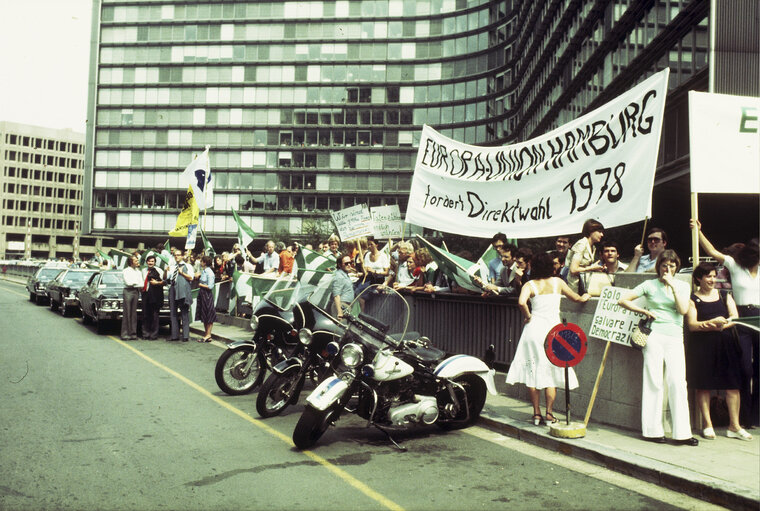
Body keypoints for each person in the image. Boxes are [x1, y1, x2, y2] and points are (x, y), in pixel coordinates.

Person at [618, 250, 698, 446]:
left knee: (678, 382)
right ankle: (652, 431)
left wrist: (672, 285)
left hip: (674, 336)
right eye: (664, 265)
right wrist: (644, 310)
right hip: (654, 335)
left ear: (676, 267)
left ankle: (682, 433)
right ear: (659, 266)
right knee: (654, 380)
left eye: (671, 265)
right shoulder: (649, 284)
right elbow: (623, 300)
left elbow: (683, 310)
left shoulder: (682, 285)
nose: (667, 269)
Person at [505, 252, 591, 425]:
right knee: (552, 371)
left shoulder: (529, 284)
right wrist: (586, 296)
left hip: (534, 329)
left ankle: (536, 414)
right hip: (553, 331)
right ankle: (549, 414)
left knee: (532, 371)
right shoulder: (558, 282)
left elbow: (521, 302)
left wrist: (528, 316)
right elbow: (576, 298)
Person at [691, 219, 759, 427]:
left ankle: (756, 417)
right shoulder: (734, 265)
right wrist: (699, 232)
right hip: (741, 319)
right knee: (745, 369)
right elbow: (711, 252)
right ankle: (743, 418)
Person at [686, 262, 751, 440]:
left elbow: (734, 318)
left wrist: (722, 324)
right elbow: (692, 325)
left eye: (714, 276)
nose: (712, 279)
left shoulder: (724, 295)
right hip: (703, 347)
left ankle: (734, 426)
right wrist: (711, 324)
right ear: (699, 278)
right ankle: (708, 425)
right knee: (704, 385)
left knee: (733, 385)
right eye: (708, 276)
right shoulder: (693, 299)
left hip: (726, 345)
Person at [566, 219, 605, 292]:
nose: (602, 235)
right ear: (591, 231)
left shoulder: (593, 247)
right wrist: (591, 268)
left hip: (584, 286)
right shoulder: (581, 244)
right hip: (575, 289)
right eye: (599, 232)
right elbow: (573, 270)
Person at [165, 249, 194, 342]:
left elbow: (191, 278)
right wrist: (166, 271)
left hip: (183, 290)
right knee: (173, 313)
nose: (177, 256)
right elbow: (167, 278)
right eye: (175, 255)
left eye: (178, 255)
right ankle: (174, 335)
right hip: (173, 289)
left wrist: (182, 273)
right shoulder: (172, 267)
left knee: (184, 312)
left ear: (182, 256)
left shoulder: (188, 266)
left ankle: (185, 335)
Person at [141, 254, 164, 340]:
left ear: (155, 262)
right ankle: (145, 334)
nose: (150, 263)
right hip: (145, 294)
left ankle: (154, 335)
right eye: (149, 261)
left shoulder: (159, 270)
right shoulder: (143, 270)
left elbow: (164, 282)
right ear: (147, 262)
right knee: (145, 315)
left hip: (155, 295)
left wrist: (157, 283)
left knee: (154, 315)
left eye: (152, 261)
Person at [195, 255, 217, 342]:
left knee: (209, 314)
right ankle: (206, 334)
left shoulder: (209, 273)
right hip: (202, 294)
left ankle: (208, 334)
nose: (200, 263)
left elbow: (210, 286)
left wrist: (201, 285)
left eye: (201, 261)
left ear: (204, 262)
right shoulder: (204, 271)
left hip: (207, 295)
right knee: (204, 314)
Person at [121, 255, 142, 340]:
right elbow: (128, 282)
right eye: (136, 261)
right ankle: (125, 334)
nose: (137, 262)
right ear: (131, 262)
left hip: (136, 291)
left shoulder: (138, 271)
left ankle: (133, 333)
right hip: (128, 291)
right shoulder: (126, 271)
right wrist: (136, 283)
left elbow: (141, 283)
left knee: (134, 313)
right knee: (127, 312)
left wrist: (135, 283)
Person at [332, 253, 355, 319]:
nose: (349, 265)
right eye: (346, 263)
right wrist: (339, 312)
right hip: (342, 306)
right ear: (339, 265)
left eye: (350, 262)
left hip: (346, 306)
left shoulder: (344, 274)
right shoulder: (339, 276)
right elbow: (336, 295)